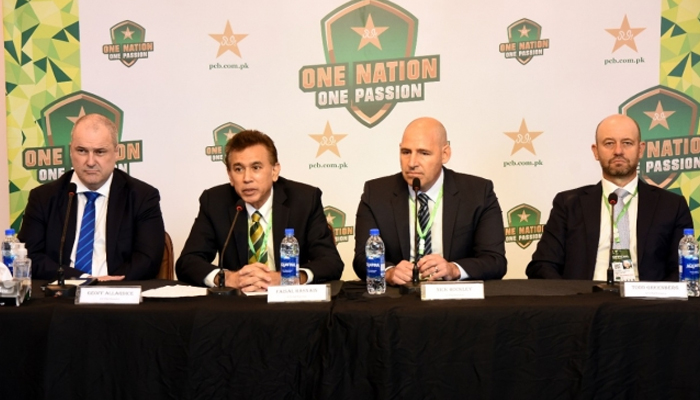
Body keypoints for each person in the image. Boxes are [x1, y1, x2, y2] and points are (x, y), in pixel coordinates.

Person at [526, 114, 692, 281]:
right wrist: (570, 301)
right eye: (609, 143)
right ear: (596, 151)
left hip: (646, 303)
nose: (618, 151)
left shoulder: (671, 206)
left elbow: (681, 270)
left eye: (627, 143)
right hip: (585, 302)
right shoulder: (568, 204)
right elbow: (542, 265)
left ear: (641, 150)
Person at [176, 129, 343, 291]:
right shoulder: (214, 201)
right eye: (238, 169)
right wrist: (228, 278)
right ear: (230, 175)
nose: (247, 178)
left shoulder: (304, 199)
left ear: (274, 171)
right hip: (236, 308)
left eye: (256, 167)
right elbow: (188, 262)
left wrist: (288, 278)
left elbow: (330, 262)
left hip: (290, 306)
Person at [352, 117, 507, 284]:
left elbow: (495, 261)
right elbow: (361, 259)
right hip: (399, 299)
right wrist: (389, 272)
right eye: (406, 152)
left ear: (445, 154)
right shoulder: (376, 194)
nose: (412, 163)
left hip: (455, 300)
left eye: (424, 153)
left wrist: (454, 269)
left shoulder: (478, 193)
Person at [19, 113, 165, 281]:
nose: (90, 161)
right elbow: (30, 257)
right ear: (70, 150)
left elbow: (148, 259)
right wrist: (83, 279)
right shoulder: (43, 197)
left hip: (118, 295)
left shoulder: (142, 197)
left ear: (117, 152)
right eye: (81, 151)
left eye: (100, 152)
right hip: (63, 295)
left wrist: (109, 283)